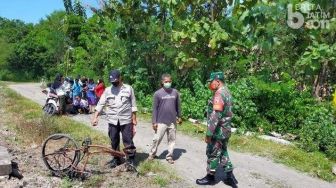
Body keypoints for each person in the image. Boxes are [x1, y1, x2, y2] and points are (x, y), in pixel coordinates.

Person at [196, 72, 238, 187]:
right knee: (223, 152)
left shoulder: (219, 94)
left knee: (212, 152)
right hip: (226, 130)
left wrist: (209, 133)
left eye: (211, 81)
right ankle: (230, 177)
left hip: (218, 131)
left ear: (218, 81)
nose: (210, 84)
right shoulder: (227, 92)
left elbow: (216, 116)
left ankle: (210, 177)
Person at [92, 70, 138, 168]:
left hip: (126, 119)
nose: (114, 83)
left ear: (120, 78)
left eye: (116, 81)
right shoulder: (108, 90)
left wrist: (134, 119)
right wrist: (95, 117)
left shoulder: (129, 89)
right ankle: (117, 159)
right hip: (112, 120)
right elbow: (101, 103)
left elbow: (133, 105)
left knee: (128, 140)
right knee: (114, 140)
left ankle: (130, 160)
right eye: (112, 81)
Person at [148, 74, 182, 164]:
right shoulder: (158, 93)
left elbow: (178, 105)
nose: (168, 83)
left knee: (172, 140)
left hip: (172, 121)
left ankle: (169, 156)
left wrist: (179, 116)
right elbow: (154, 108)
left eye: (170, 81)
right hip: (161, 121)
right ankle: (152, 154)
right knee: (157, 139)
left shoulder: (175, 92)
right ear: (162, 82)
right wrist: (154, 122)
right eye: (166, 81)